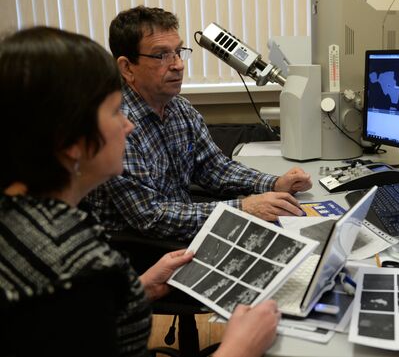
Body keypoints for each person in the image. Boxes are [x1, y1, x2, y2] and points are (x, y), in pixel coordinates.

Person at [0, 27, 280, 357]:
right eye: (114, 111)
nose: (127, 124)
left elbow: (70, 325)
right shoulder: (76, 265)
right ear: (69, 141)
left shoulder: (31, 223)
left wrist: (141, 287)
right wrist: (238, 348)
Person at [84, 6, 312, 241]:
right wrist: (244, 209)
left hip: (182, 228)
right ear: (127, 67)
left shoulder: (181, 109)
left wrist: (273, 183)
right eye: (162, 55)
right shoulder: (116, 127)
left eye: (178, 51)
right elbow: (151, 217)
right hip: (142, 248)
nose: (178, 65)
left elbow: (214, 168)